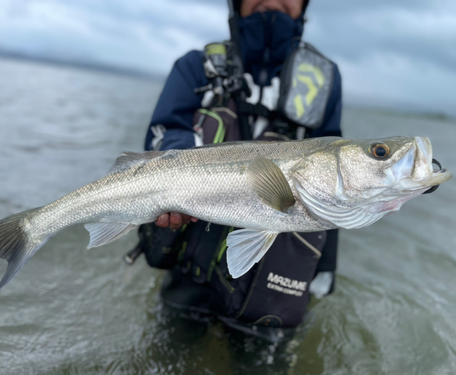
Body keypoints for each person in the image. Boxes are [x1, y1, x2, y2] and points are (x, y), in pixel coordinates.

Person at [131, 0, 342, 331]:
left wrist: (326, 263)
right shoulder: (195, 66)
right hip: (191, 256)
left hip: (272, 279)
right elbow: (165, 130)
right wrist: (179, 174)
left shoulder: (325, 80)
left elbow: (334, 175)